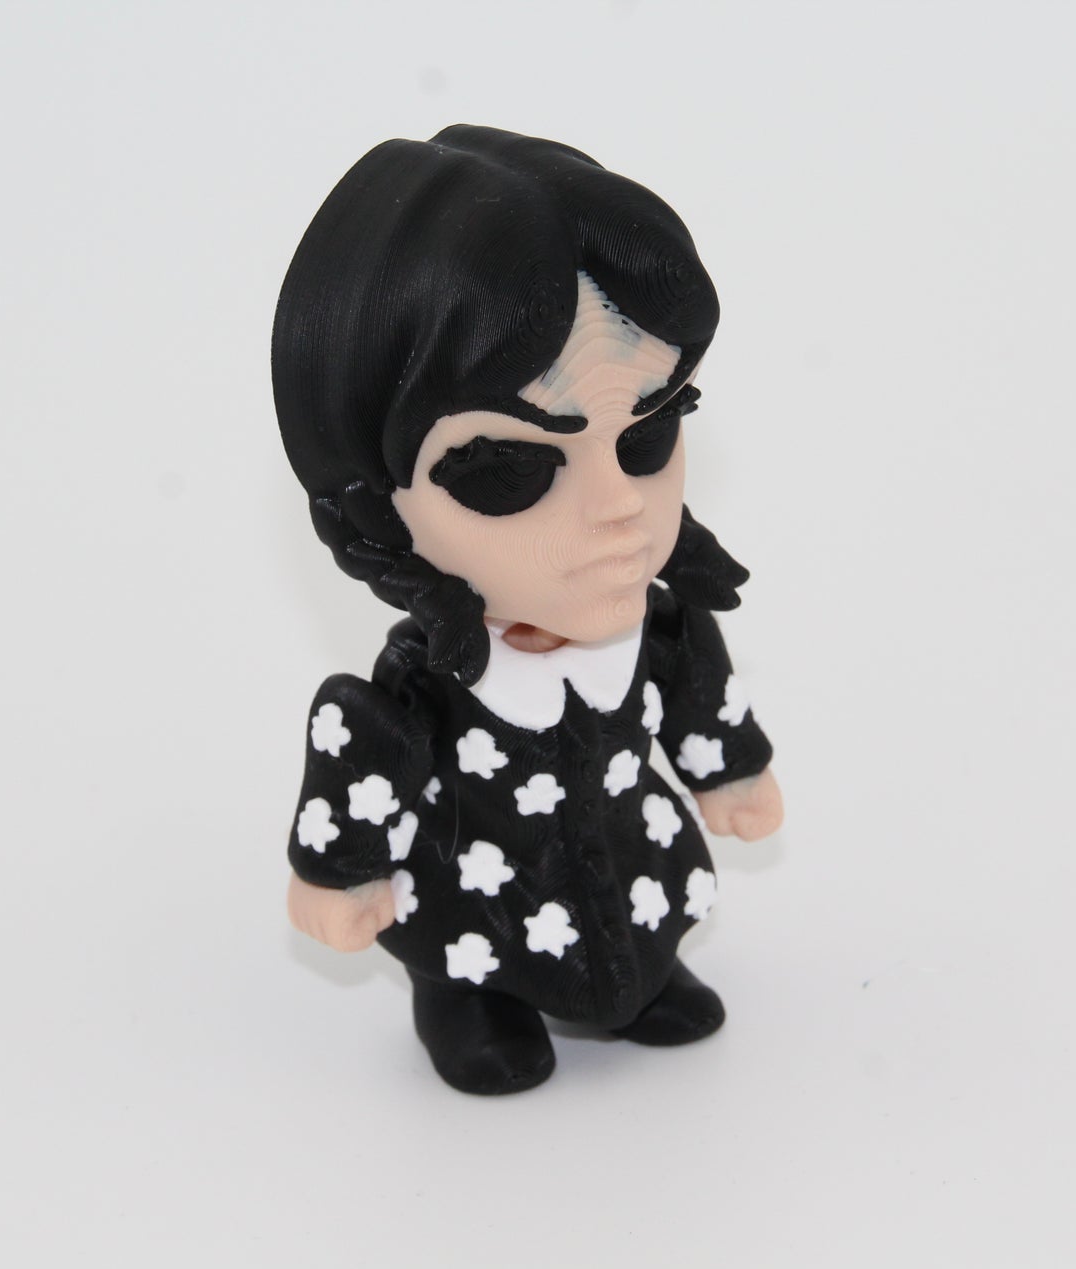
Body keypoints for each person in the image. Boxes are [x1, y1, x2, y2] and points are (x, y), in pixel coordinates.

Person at [271, 125, 783, 1095]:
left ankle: (638, 969)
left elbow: (696, 699)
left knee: (646, 909)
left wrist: (730, 771)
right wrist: (342, 870)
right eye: (507, 468)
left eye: (647, 434)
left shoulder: (656, 632)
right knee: (467, 944)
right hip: (476, 904)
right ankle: (474, 1001)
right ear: (375, 503)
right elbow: (366, 765)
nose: (616, 506)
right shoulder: (429, 685)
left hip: (630, 865)